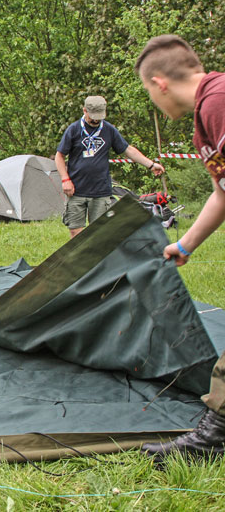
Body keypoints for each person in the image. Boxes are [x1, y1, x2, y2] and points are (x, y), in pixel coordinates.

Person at [134, 35, 225, 463]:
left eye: (148, 93)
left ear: (159, 83)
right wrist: (184, 244)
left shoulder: (219, 100)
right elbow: (222, 194)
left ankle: (214, 438)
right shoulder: (204, 119)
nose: (153, 101)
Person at [55, 96, 165, 238]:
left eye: (99, 117)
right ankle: (81, 260)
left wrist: (151, 165)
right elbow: (59, 156)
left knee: (100, 233)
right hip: (76, 190)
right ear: (84, 111)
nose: (95, 120)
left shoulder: (109, 130)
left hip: (101, 191)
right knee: (76, 232)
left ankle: (99, 259)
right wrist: (65, 180)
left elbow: (128, 150)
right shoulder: (73, 130)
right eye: (92, 117)